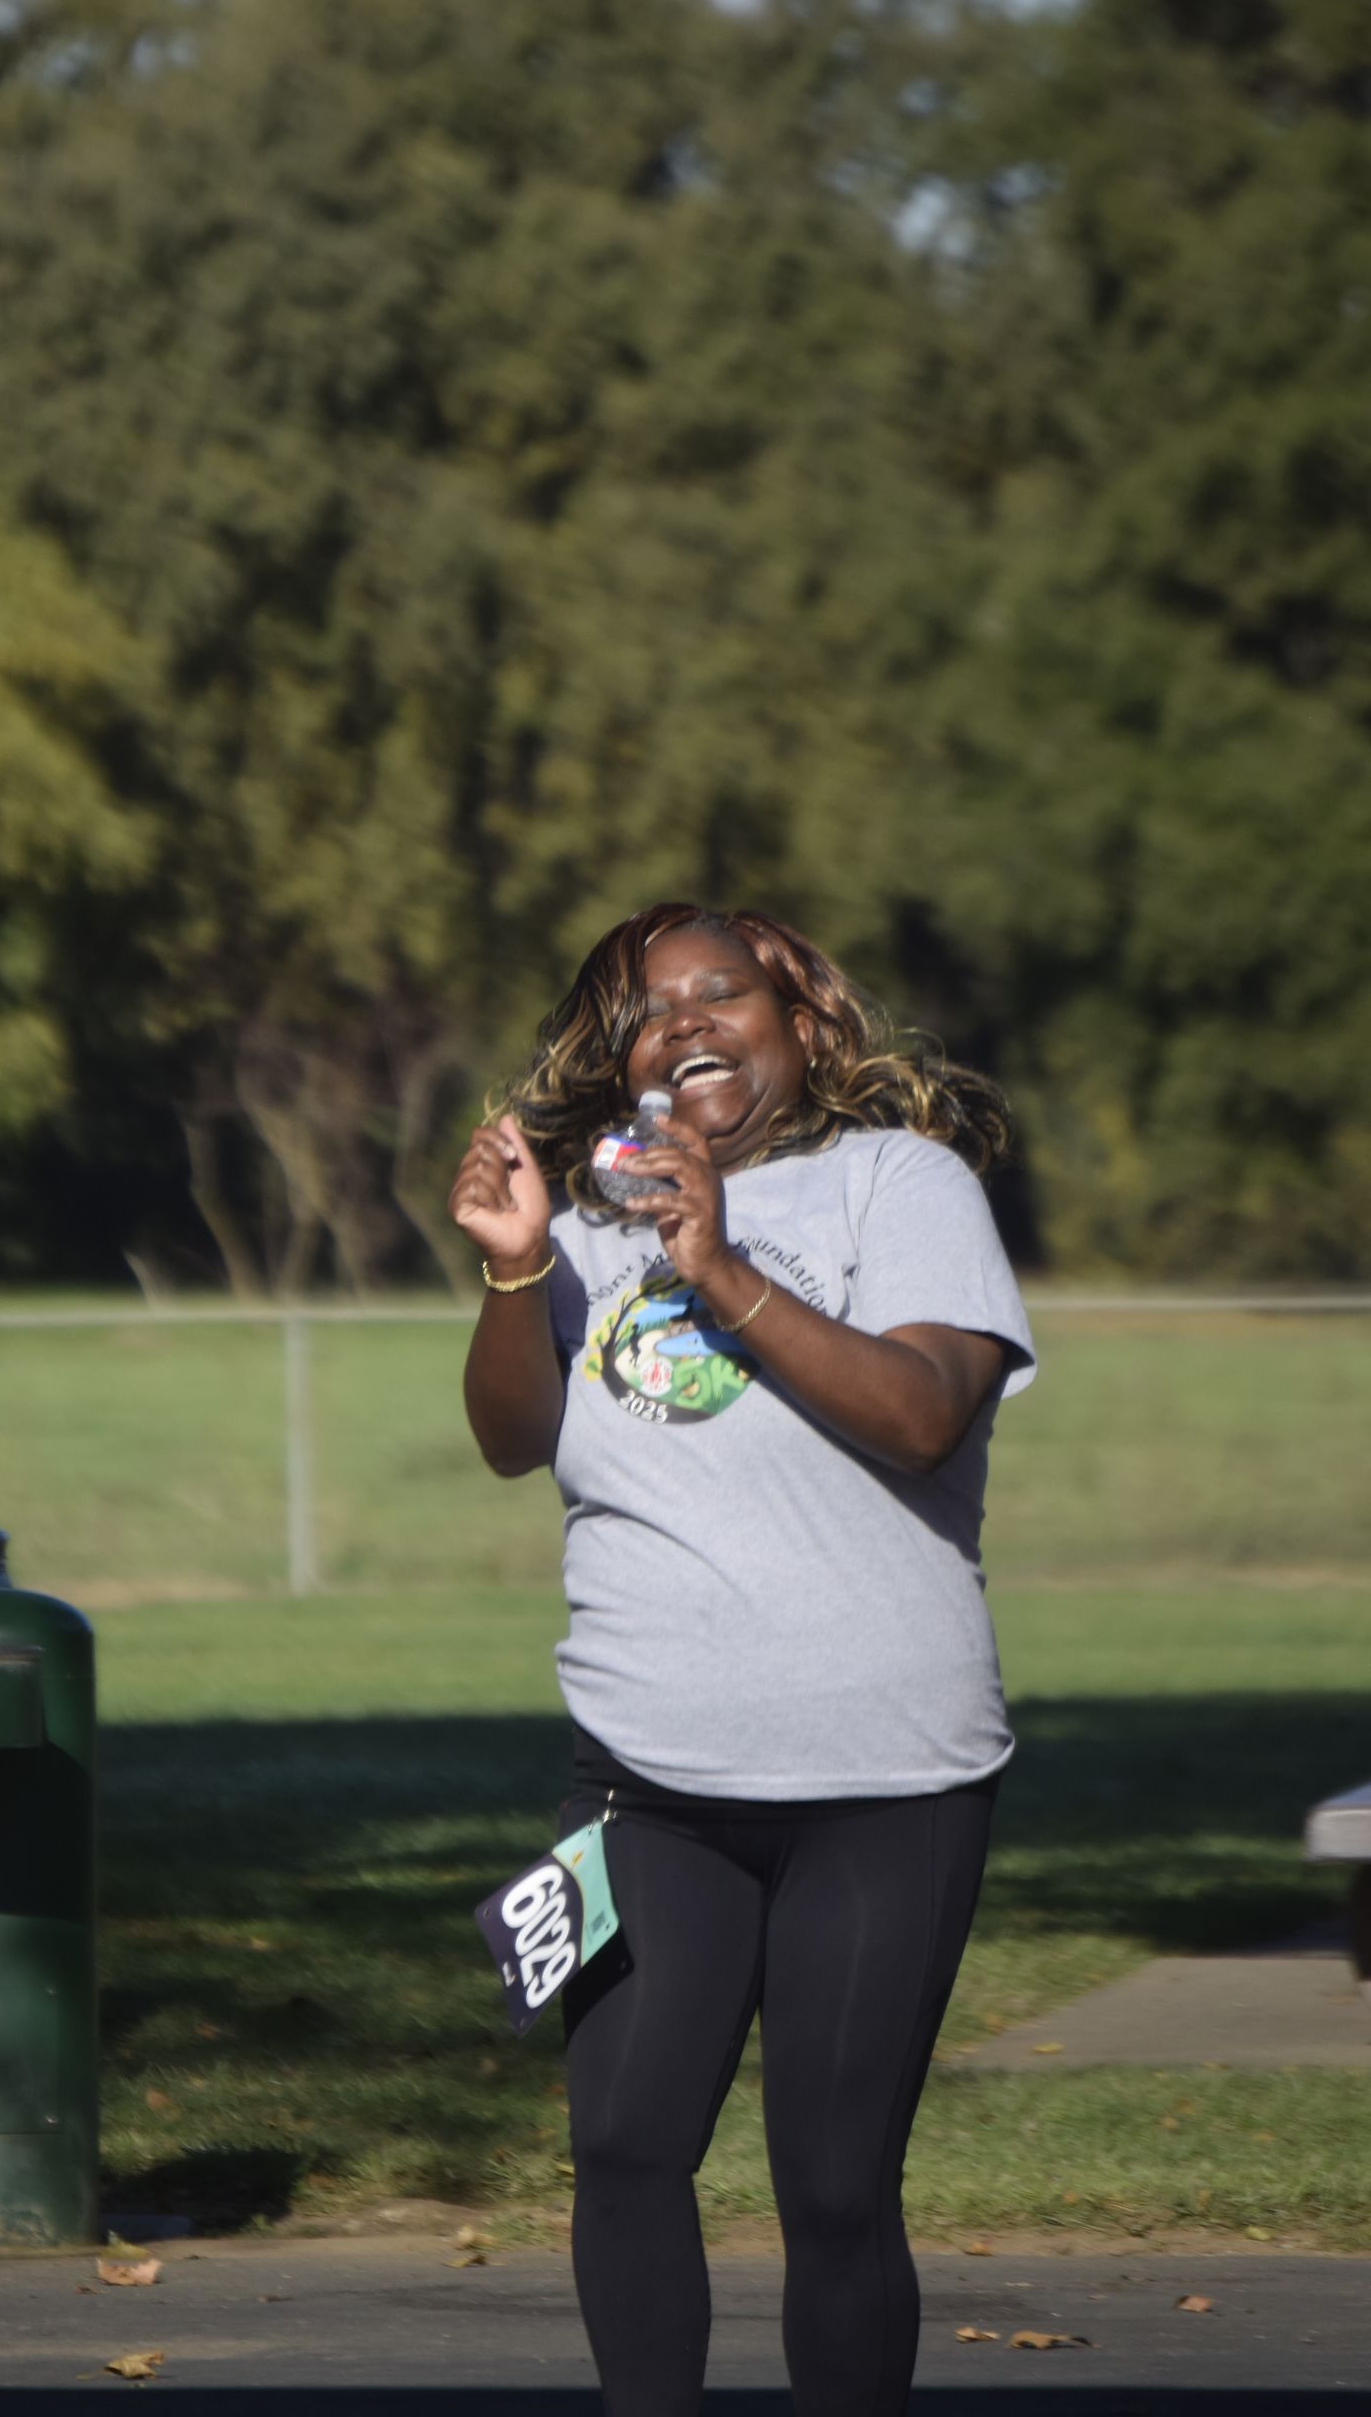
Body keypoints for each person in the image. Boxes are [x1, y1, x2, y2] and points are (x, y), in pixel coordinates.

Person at [446, 901, 1035, 2417]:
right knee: (629, 2151)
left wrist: (718, 1267)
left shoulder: (898, 1183)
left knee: (834, 2188)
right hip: (647, 1783)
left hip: (884, 1781)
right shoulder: (587, 1226)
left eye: (725, 993)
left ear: (800, 1017)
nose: (687, 1022)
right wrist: (519, 1271)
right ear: (620, 1054)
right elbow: (514, 1441)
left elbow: (919, 1413)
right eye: (652, 1009)